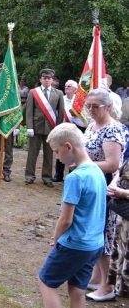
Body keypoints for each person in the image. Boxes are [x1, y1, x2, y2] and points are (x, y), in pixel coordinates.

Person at [38, 123, 106, 308]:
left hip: (74, 245)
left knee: (47, 282)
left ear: (68, 146)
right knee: (77, 289)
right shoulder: (97, 171)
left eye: (57, 151)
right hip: (94, 244)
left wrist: (56, 238)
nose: (57, 157)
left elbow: (66, 220)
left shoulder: (75, 178)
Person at [80, 89, 125, 302]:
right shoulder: (92, 125)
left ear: (108, 107)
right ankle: (97, 276)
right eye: (88, 106)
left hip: (105, 187)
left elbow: (112, 164)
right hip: (92, 184)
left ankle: (106, 286)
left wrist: (83, 164)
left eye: (95, 106)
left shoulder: (112, 130)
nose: (90, 110)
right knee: (94, 230)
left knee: (104, 235)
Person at [25, 68, 65, 187]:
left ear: (52, 80)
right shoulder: (33, 92)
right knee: (32, 153)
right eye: (44, 78)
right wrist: (29, 126)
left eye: (49, 78)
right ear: (40, 79)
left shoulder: (58, 93)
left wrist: (57, 128)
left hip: (51, 128)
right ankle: (29, 176)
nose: (46, 80)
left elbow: (61, 112)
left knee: (49, 154)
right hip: (36, 127)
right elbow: (29, 110)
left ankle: (47, 177)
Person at [53, 80, 87, 182]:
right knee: (60, 149)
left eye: (69, 86)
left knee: (73, 150)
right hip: (62, 127)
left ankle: (71, 174)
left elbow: (85, 119)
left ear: (75, 89)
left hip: (76, 128)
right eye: (66, 85)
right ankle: (58, 174)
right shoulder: (61, 99)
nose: (66, 87)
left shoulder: (80, 102)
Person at [0, 63, 18, 182]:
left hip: (9, 122)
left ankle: (6, 171)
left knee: (9, 149)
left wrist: (17, 125)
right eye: (1, 73)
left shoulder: (13, 88)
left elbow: (17, 107)